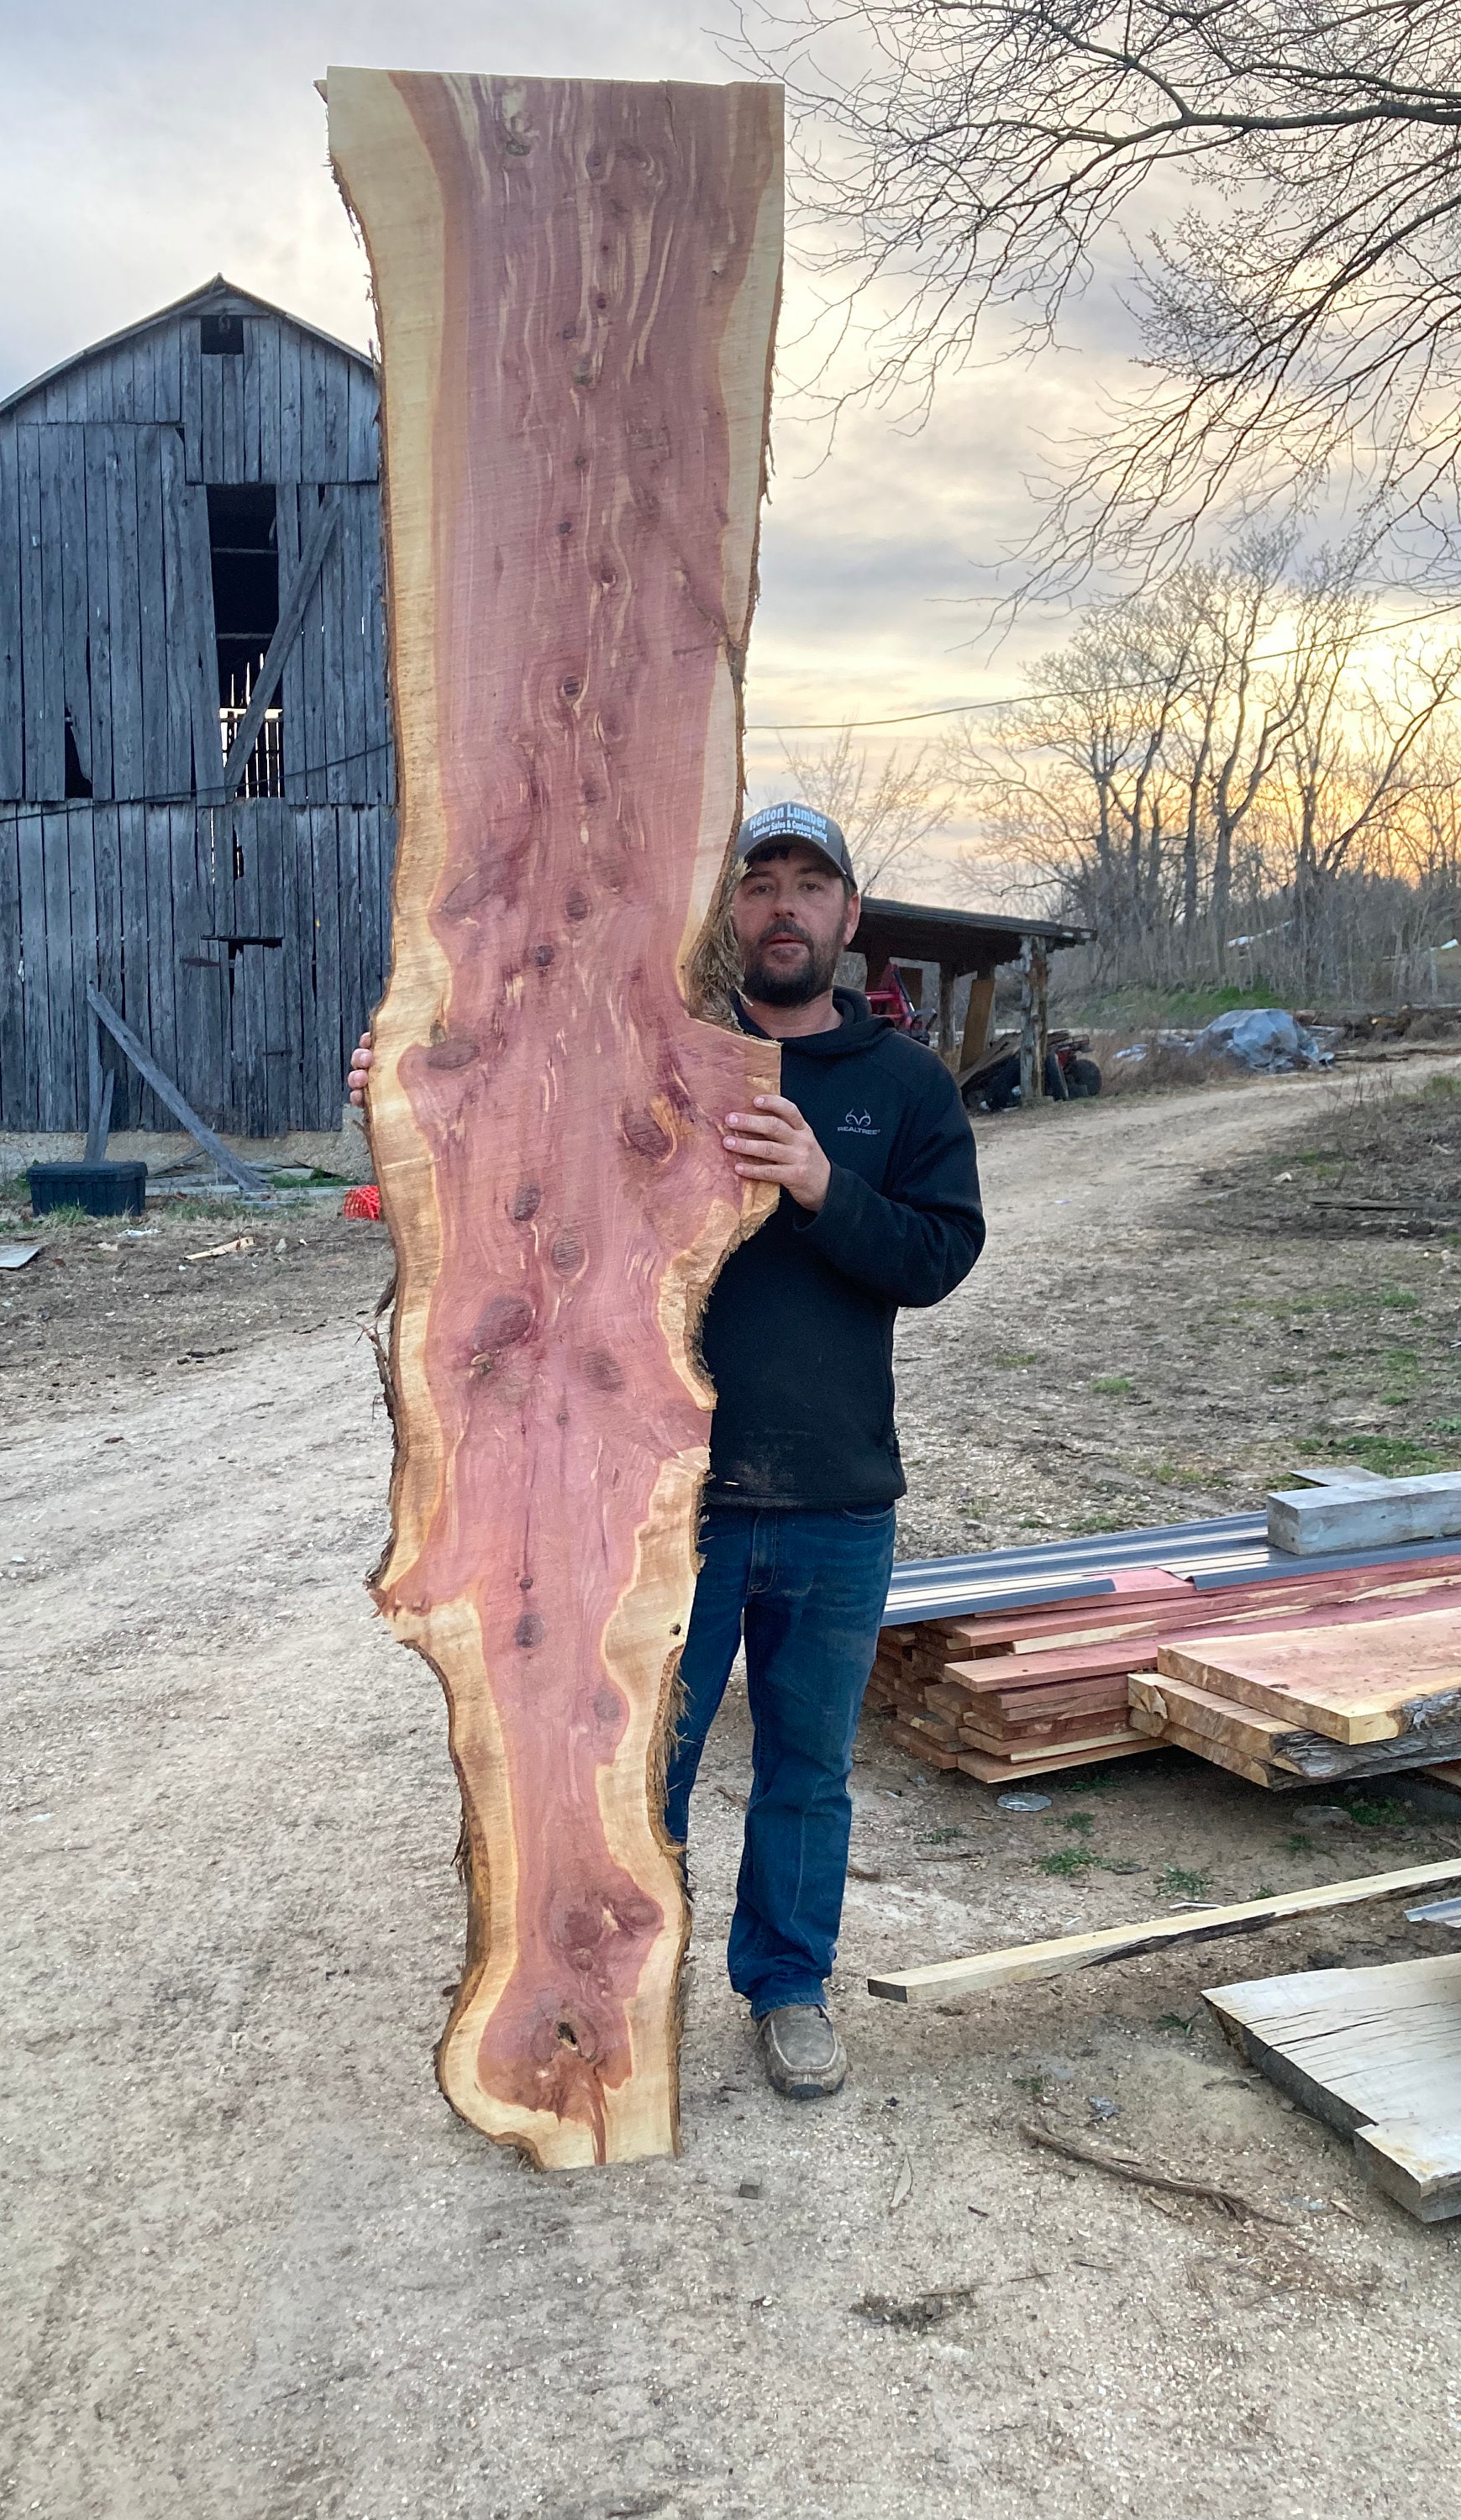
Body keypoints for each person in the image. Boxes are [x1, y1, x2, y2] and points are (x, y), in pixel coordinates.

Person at [349, 801, 985, 2103]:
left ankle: (788, 1989)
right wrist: (407, 1090)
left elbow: (938, 1257)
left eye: (811, 887)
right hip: (656, 1500)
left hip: (834, 1494)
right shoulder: (645, 1063)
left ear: (850, 920)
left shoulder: (901, 1086)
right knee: (638, 1766)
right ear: (725, 915)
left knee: (806, 1771)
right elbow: (512, 1179)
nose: (783, 910)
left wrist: (820, 1182)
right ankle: (609, 2003)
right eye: (759, 886)